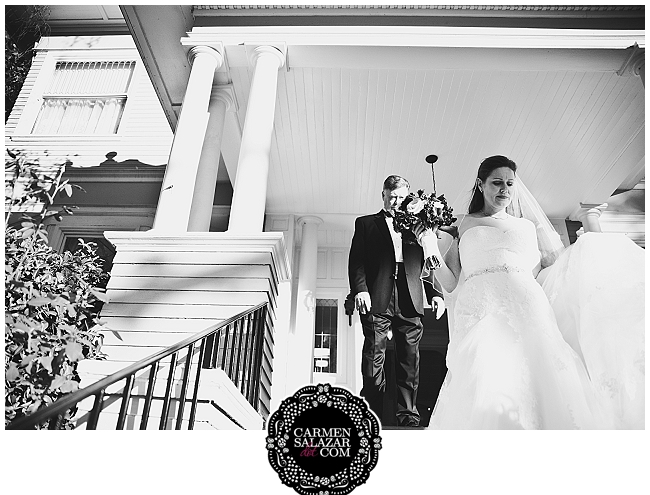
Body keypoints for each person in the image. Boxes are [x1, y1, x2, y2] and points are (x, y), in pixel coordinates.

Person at [417, 155, 644, 429]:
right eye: (497, 182)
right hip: (479, 307)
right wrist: (428, 244)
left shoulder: (526, 226)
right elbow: (451, 282)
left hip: (526, 303)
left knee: (541, 371)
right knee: (486, 370)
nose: (504, 190)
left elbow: (539, 272)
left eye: (510, 184)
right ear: (480, 184)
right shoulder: (461, 226)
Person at [348, 175, 445, 427]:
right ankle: (373, 413)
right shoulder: (366, 224)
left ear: (408, 197)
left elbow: (427, 264)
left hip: (410, 295)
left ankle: (408, 415)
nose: (396, 202)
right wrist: (360, 290)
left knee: (409, 359)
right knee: (373, 357)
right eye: (392, 197)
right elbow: (357, 261)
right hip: (377, 295)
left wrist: (435, 294)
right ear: (383, 195)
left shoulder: (420, 225)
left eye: (401, 198)